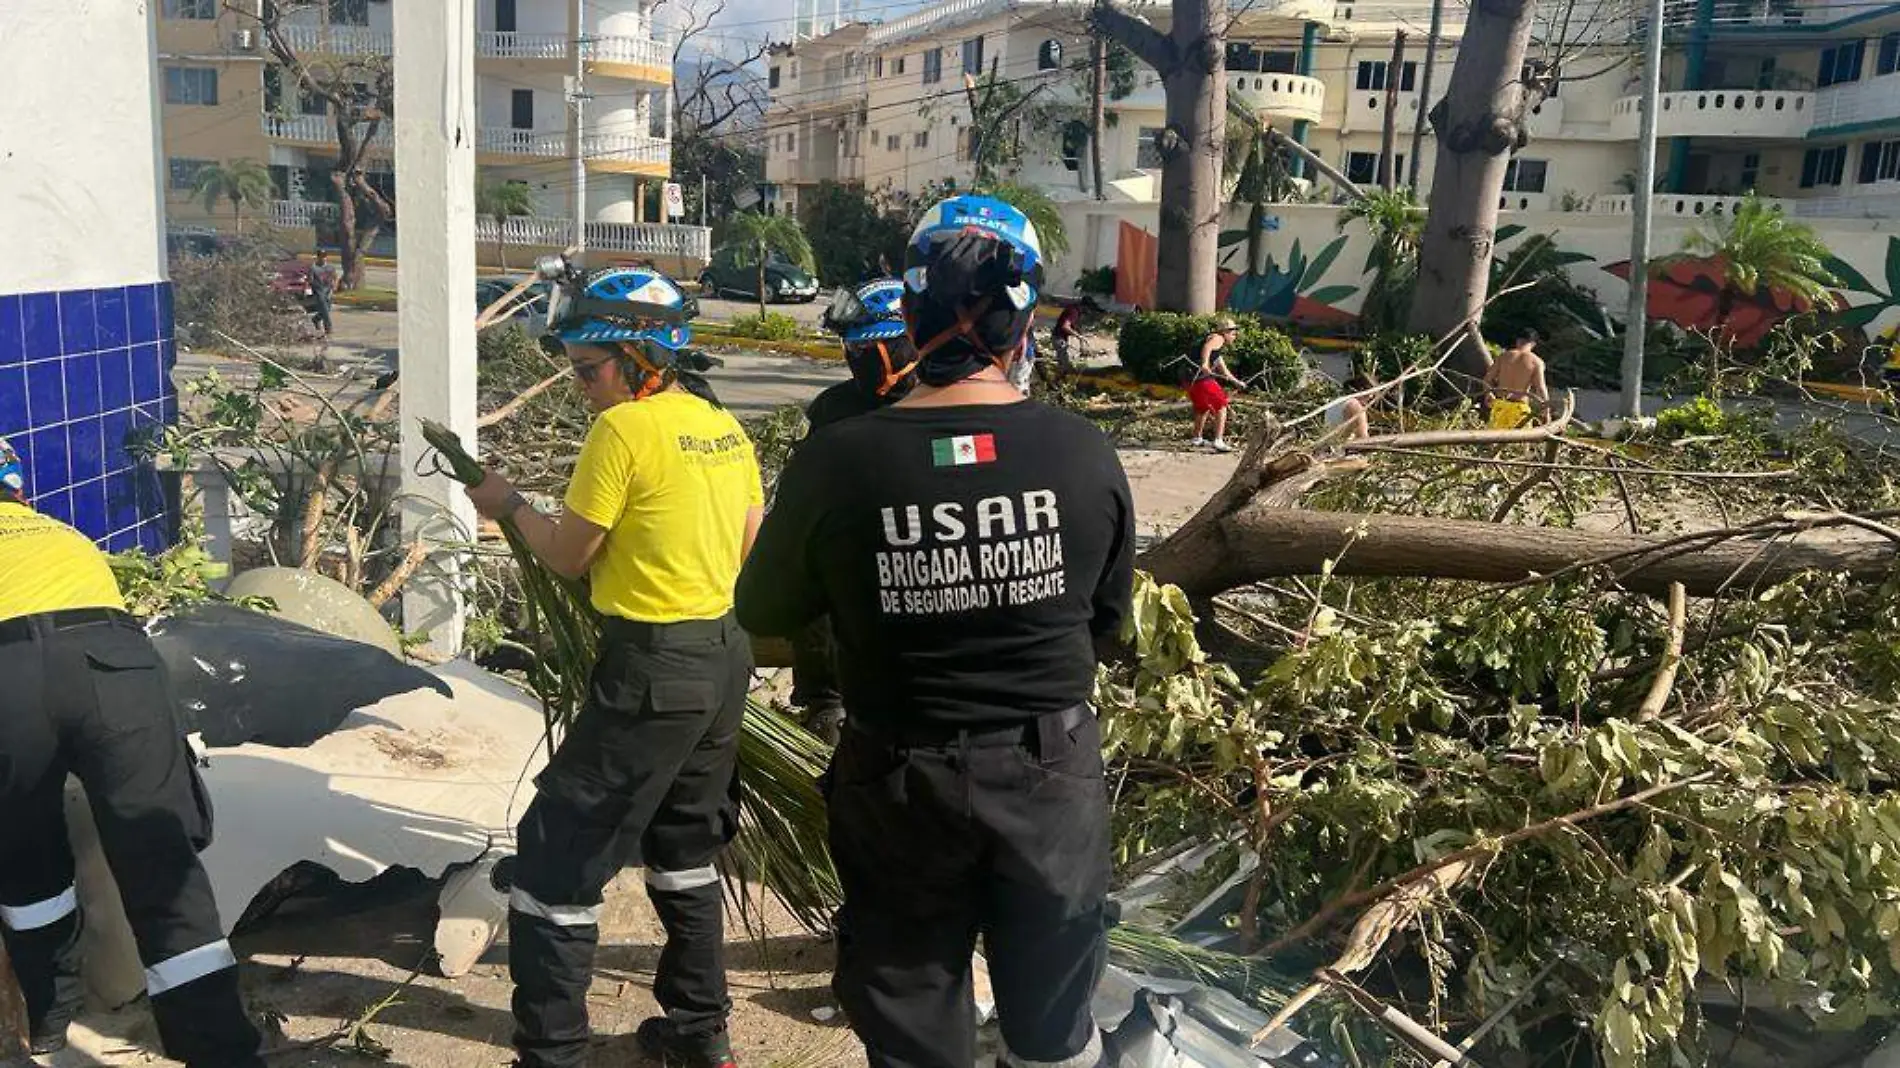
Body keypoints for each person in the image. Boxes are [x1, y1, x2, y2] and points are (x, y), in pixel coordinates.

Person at [735, 194, 1136, 1068]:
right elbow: (1107, 621)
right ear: (1025, 324)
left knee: (915, 1026)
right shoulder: (1082, 454)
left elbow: (763, 611)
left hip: (899, 783)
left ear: (909, 314)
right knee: (1054, 1028)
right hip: (1049, 776)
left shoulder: (839, 460)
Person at [461, 265, 763, 1068]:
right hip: (723, 658)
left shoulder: (623, 432)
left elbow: (566, 554)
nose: (582, 386)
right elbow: (746, 544)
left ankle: (553, 1052)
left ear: (639, 360)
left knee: (556, 854)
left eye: (590, 370)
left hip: (653, 666)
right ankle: (702, 1036)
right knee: (683, 848)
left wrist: (504, 504)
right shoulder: (720, 424)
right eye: (574, 370)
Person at [0, 436, 264, 1067]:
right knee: (161, 865)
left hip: (6, 674)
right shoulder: (58, 533)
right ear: (17, 491)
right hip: (113, 663)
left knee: (26, 865)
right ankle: (222, 1052)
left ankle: (47, 1025)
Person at [791, 278, 921, 742]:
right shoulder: (834, 410)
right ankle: (825, 702)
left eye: (868, 351)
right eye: (853, 352)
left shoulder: (944, 405)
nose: (857, 361)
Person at [1189, 316, 1247, 452]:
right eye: (1233, 333)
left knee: (1202, 408)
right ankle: (1218, 441)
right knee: (1221, 405)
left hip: (1188, 378)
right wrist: (1204, 363)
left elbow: (1224, 371)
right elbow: (1207, 348)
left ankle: (1196, 438)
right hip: (1199, 377)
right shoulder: (1218, 338)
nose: (1235, 336)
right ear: (1225, 332)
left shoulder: (1217, 349)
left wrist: (1237, 382)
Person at [1485, 329, 1549, 430]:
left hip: (1501, 404)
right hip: (1520, 408)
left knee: (1493, 440)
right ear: (1533, 344)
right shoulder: (1536, 362)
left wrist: (1488, 394)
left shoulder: (1504, 356)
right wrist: (1546, 410)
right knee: (1518, 443)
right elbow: (1540, 388)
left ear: (1517, 340)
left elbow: (1487, 379)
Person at [1325, 369, 1376, 441]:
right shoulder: (1355, 406)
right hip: (1344, 449)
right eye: (1371, 395)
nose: (1371, 398)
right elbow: (1363, 439)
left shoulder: (1336, 402)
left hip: (1329, 446)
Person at [306, 249, 339, 339]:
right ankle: (328, 328)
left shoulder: (330, 268)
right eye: (321, 256)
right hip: (318, 291)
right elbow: (310, 280)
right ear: (318, 257)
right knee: (324, 309)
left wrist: (334, 287)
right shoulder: (313, 268)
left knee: (327, 309)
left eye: (324, 256)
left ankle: (316, 319)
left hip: (328, 290)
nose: (323, 258)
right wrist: (309, 288)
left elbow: (335, 278)